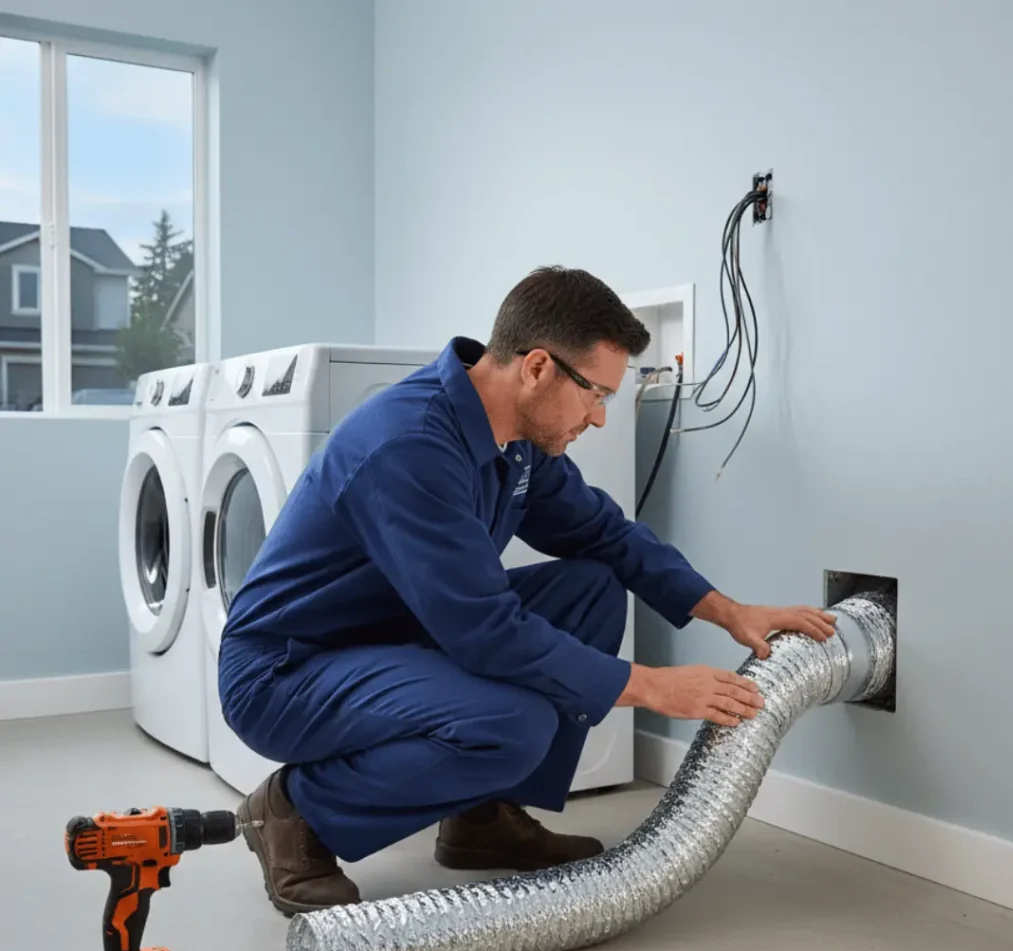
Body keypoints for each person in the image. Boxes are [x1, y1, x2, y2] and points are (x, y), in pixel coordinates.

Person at [218, 266, 836, 916]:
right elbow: (486, 632)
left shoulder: (513, 443)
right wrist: (654, 685)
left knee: (593, 588)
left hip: (395, 637)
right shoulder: (411, 448)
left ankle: (481, 817)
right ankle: (294, 816)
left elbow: (605, 535)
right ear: (538, 368)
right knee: (514, 725)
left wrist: (727, 610)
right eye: (595, 393)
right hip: (287, 670)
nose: (599, 418)